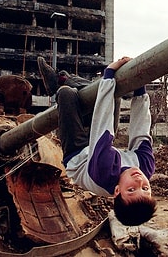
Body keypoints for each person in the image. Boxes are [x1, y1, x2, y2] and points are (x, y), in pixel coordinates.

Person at [38, 56, 157, 226]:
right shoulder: (145, 167)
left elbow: (102, 126)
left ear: (117, 191)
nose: (139, 181)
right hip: (103, 147)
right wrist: (140, 89)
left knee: (67, 94)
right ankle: (63, 78)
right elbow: (141, 130)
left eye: (131, 190)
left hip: (78, 153)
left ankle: (60, 83)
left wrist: (108, 74)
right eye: (145, 189)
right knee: (114, 95)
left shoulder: (104, 172)